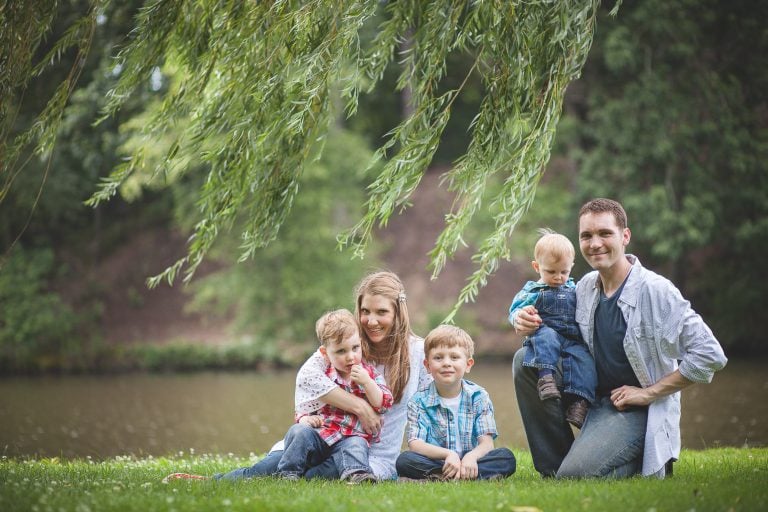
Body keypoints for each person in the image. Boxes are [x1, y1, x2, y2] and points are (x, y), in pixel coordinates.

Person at [512, 198, 727, 479]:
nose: (595, 243)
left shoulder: (656, 291)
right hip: (593, 398)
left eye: (605, 233)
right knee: (524, 360)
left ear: (625, 236)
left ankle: (637, 458)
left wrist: (647, 393)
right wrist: (522, 320)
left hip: (637, 410)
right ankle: (556, 468)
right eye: (586, 236)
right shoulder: (585, 287)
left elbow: (710, 355)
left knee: (577, 477)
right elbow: (555, 326)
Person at [213, 271, 433, 482]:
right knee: (269, 467)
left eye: (381, 312)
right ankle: (218, 481)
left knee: (311, 477)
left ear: (398, 312)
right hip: (323, 438)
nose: (371, 321)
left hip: (370, 454)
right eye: (365, 311)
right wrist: (360, 407)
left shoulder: (418, 352)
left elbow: (433, 406)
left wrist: (449, 457)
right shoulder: (349, 344)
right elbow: (307, 377)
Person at [275, 309, 393, 483]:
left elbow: (382, 404)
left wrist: (367, 383)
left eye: (355, 348)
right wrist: (305, 420)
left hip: (349, 440)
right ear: (325, 353)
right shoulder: (323, 375)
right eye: (341, 351)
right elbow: (305, 406)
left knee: (357, 445)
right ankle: (288, 473)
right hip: (321, 436)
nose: (350, 357)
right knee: (298, 431)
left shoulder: (369, 374)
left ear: (361, 343)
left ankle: (357, 474)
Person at [395, 325, 516, 481]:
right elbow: (415, 444)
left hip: (472, 461)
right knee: (405, 460)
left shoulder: (479, 396)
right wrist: (448, 455)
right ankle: (457, 475)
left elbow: (486, 444)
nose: (446, 363)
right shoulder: (418, 402)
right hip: (438, 461)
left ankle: (445, 476)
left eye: (454, 357)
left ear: (468, 364)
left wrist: (471, 457)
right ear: (427, 366)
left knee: (506, 458)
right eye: (438, 358)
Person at [508, 229, 596, 428]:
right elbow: (515, 312)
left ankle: (579, 402)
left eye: (564, 272)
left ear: (571, 267)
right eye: (551, 272)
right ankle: (545, 378)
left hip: (572, 339)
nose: (558, 278)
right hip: (544, 333)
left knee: (584, 359)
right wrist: (522, 315)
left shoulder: (575, 288)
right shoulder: (532, 291)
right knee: (546, 337)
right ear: (536, 266)